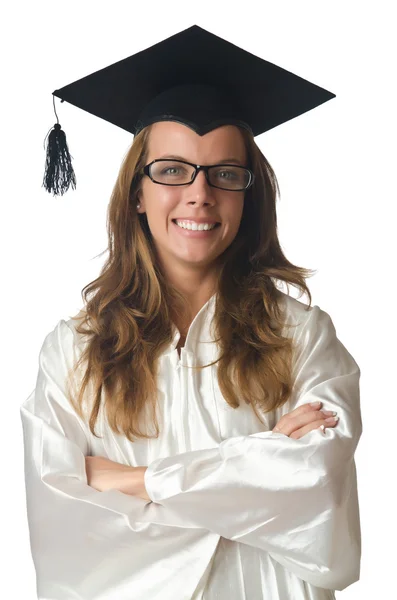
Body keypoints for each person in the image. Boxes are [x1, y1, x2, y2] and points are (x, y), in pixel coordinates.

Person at [20, 25, 362, 600]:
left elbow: (317, 492)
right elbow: (65, 532)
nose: (200, 194)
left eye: (225, 174)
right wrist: (256, 471)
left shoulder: (302, 337)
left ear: (248, 195)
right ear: (137, 192)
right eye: (172, 170)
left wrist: (138, 481)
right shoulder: (73, 351)